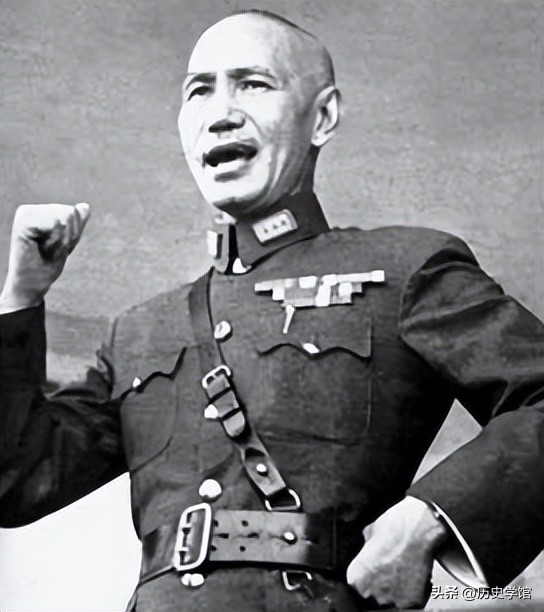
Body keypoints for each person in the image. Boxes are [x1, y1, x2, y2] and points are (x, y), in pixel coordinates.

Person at [0, 9, 542, 611]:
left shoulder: (403, 269)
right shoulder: (140, 330)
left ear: (322, 117)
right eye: (199, 90)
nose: (221, 112)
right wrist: (20, 298)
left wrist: (427, 519)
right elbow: (17, 480)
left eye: (253, 84)